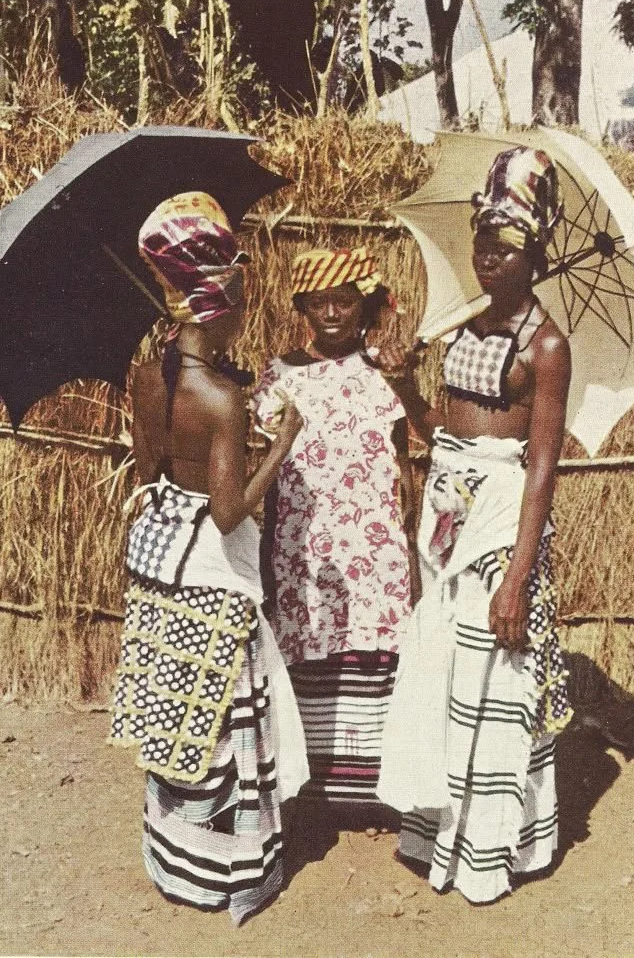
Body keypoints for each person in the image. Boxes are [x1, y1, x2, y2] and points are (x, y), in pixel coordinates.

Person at [376, 146, 574, 903]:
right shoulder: (465, 325)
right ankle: (439, 834)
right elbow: (439, 428)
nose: (489, 258)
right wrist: (403, 386)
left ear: (536, 253)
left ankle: (489, 850)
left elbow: (541, 469)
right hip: (448, 510)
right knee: (445, 673)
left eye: (506, 246)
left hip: (498, 519)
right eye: (483, 243)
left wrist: (518, 578)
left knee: (494, 674)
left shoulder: (545, 346)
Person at [109, 191, 308, 925]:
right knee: (224, 715)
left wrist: (230, 404)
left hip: (166, 556)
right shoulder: (218, 397)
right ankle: (228, 867)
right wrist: (280, 445)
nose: (244, 308)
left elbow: (150, 466)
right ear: (215, 295)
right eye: (239, 294)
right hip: (213, 564)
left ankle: (176, 857)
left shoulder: (148, 374)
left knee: (177, 706)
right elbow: (228, 512)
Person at [253, 247, 419, 811]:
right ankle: (314, 793)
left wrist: (409, 552)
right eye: (319, 302)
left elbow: (405, 472)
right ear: (302, 305)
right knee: (310, 648)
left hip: (374, 551)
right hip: (303, 547)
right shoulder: (279, 376)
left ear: (363, 305)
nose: (331, 313)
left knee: (373, 651)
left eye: (343, 301)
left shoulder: (385, 375)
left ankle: (372, 795)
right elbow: (269, 475)